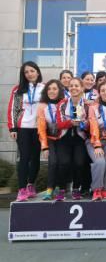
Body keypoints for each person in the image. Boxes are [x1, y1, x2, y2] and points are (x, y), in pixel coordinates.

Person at [8, 61, 45, 201]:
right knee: (24, 157)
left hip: (39, 128)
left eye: (32, 71)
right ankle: (22, 189)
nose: (29, 74)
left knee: (35, 158)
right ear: (23, 75)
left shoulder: (45, 88)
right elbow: (13, 109)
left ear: (37, 72)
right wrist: (12, 127)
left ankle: (31, 185)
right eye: (26, 72)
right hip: (23, 128)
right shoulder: (18, 89)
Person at [55, 77, 89, 201]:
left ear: (82, 88)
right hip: (64, 138)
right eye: (71, 86)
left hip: (79, 139)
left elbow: (90, 124)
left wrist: (84, 124)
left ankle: (76, 189)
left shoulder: (86, 104)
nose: (74, 88)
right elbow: (58, 124)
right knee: (63, 163)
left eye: (76, 86)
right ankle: (62, 189)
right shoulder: (62, 104)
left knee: (79, 164)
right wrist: (71, 122)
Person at [37, 79, 66, 200]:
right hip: (49, 139)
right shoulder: (42, 106)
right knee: (53, 162)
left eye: (54, 88)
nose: (51, 91)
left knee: (63, 163)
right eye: (49, 89)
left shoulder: (65, 103)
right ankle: (50, 188)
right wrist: (44, 147)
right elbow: (41, 128)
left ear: (59, 90)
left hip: (63, 138)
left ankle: (62, 188)